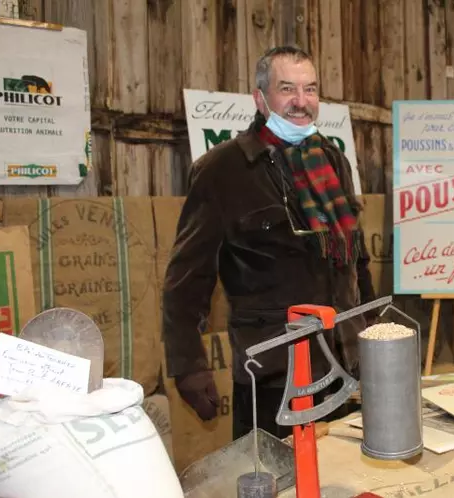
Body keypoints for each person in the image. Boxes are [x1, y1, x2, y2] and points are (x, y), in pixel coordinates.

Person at [161, 45, 376, 440]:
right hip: (274, 370)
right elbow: (187, 277)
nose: (301, 102)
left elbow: (354, 255)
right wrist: (188, 365)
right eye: (287, 89)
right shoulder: (221, 171)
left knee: (339, 475)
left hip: (342, 359)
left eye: (310, 89)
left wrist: (372, 330)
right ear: (261, 99)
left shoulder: (332, 160)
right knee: (276, 481)